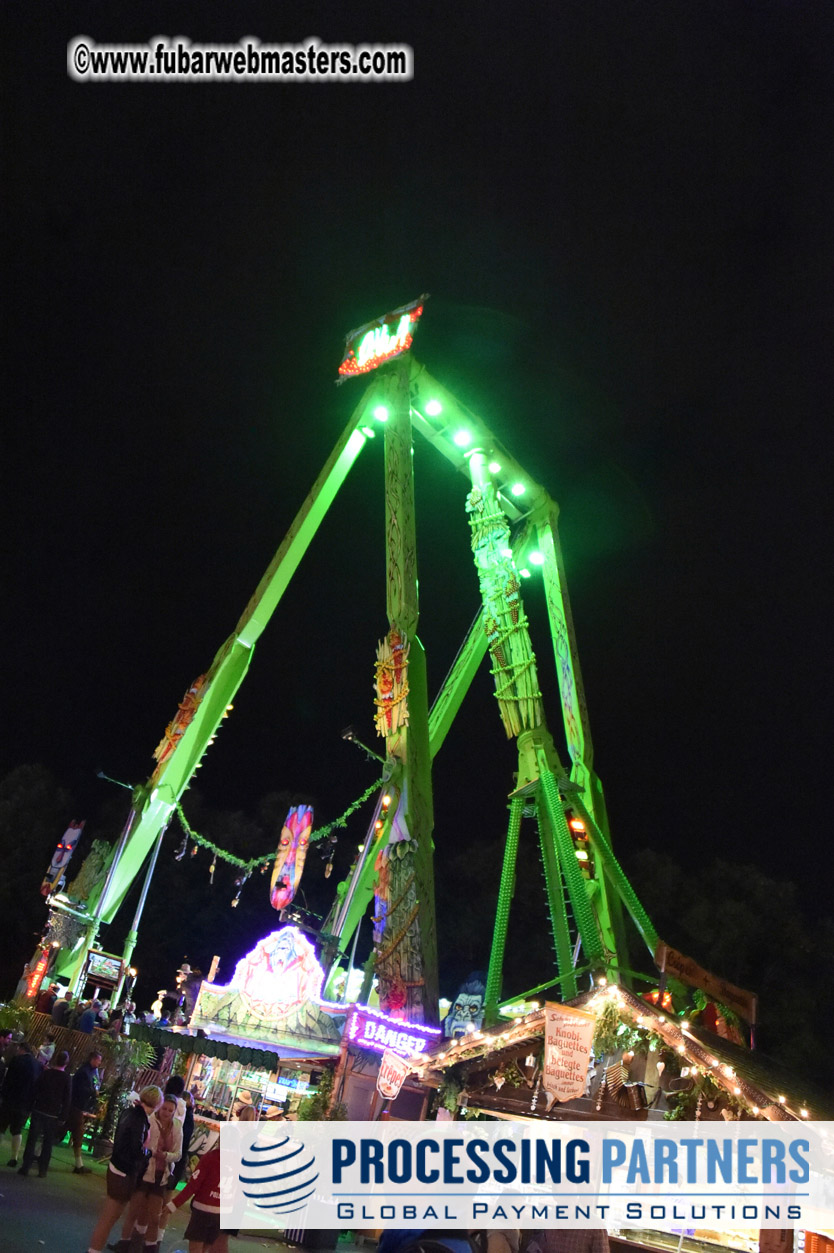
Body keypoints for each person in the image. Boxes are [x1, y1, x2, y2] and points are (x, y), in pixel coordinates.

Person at [85, 1084, 163, 1253]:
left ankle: (94, 1249)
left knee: (109, 1217)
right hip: (124, 1171)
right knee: (109, 1218)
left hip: (117, 1166)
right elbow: (136, 1149)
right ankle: (94, 1250)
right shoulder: (140, 1119)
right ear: (157, 1104)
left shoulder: (130, 1112)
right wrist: (148, 1153)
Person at [112, 1093, 183, 1253]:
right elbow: (142, 1145)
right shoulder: (150, 1120)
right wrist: (151, 1153)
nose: (166, 1112)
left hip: (161, 1175)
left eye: (170, 1110)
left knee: (154, 1216)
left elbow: (178, 1154)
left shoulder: (177, 1127)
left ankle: (149, 1247)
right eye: (164, 1108)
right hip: (145, 1171)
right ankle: (125, 1243)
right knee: (135, 1210)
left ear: (174, 1111)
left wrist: (164, 1155)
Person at [18, 1047, 72, 1177]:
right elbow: (67, 1099)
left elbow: (35, 1089)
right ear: (66, 1063)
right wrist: (63, 1116)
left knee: (32, 1139)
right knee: (47, 1143)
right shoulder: (66, 1078)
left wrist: (31, 1106)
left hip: (39, 1109)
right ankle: (42, 1169)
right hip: (53, 1114)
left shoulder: (46, 1073)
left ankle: (26, 1166)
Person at [164, 1142, 222, 1253]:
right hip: (219, 1215)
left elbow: (193, 1185)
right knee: (204, 1249)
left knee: (195, 1249)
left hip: (202, 1212)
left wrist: (174, 1204)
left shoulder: (210, 1158)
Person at [0, 1041, 39, 1166]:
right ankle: (14, 1157)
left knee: (1, 1128)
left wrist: (3, 1095)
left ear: (22, 1049)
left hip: (10, 1101)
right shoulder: (37, 1065)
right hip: (25, 1104)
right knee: (17, 1130)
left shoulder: (16, 1061)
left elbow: (8, 1080)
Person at [68, 1048, 103, 1173]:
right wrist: (93, 1092)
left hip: (78, 1106)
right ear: (93, 1059)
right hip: (76, 1106)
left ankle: (38, 1152)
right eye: (98, 1061)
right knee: (78, 1133)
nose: (99, 1063)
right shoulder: (84, 1072)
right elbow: (81, 1089)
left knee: (60, 1131)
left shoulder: (91, 1071)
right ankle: (79, 1165)